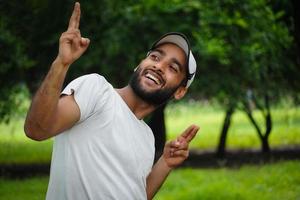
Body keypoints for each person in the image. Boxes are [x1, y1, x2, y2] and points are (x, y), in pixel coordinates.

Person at [24, 2, 199, 200]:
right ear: (139, 65)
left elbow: (134, 194)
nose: (159, 66)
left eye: (172, 68)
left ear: (180, 91)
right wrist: (61, 64)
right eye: (155, 57)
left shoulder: (147, 138)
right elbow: (36, 130)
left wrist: (165, 163)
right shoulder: (96, 91)